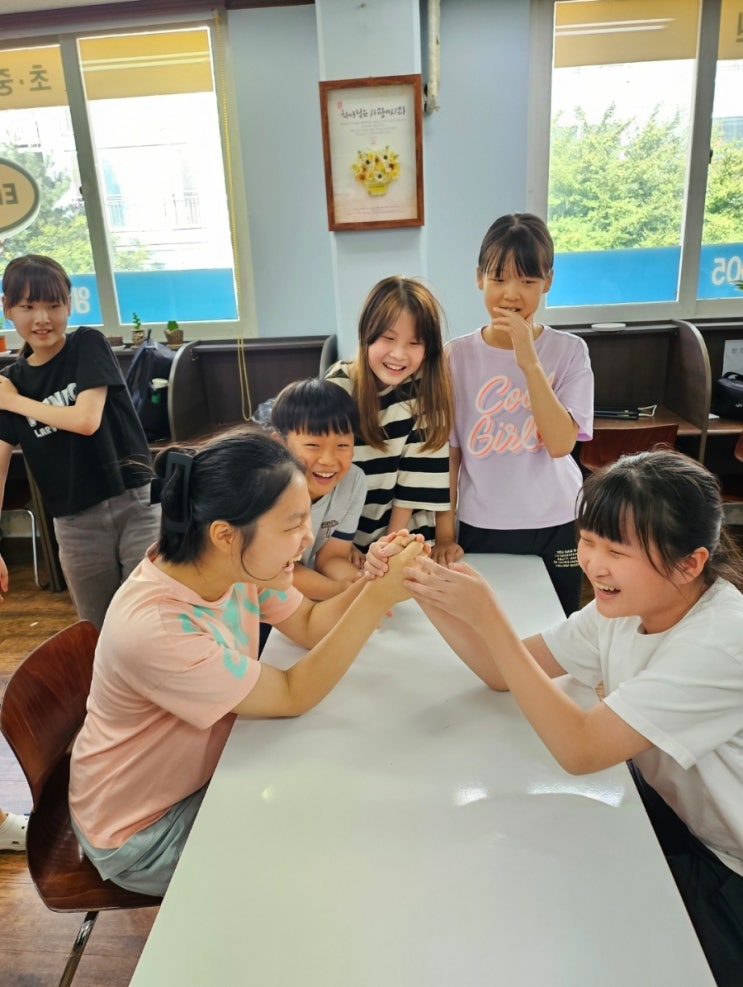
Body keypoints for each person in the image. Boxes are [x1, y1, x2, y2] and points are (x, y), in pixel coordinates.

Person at [404, 451, 743, 987]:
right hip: (680, 815)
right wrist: (424, 588)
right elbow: (502, 670)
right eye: (587, 541)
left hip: (729, 865)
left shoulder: (720, 642)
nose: (593, 564)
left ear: (689, 563)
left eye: (617, 551)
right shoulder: (624, 607)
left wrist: (489, 615)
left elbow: (581, 749)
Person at [68, 428, 422, 896]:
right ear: (225, 534)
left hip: (200, 777)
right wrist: (376, 598)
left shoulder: (231, 567)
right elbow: (293, 693)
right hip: (142, 832)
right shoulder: (158, 628)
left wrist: (372, 579)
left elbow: (310, 623)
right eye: (293, 525)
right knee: (324, 855)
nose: (307, 538)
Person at [432, 213, 593, 615]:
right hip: (482, 522)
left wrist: (529, 362)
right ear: (479, 278)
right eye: (499, 278)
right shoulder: (455, 357)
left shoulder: (570, 351)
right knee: (487, 623)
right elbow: (449, 453)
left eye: (527, 281)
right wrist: (445, 532)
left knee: (559, 622)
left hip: (556, 520)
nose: (511, 294)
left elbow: (561, 444)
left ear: (547, 282)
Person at [0, 254, 160, 629]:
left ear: (69, 305)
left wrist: (14, 402)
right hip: (75, 524)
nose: (42, 318)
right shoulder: (12, 381)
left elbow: (86, 420)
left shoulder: (87, 343)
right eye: (28, 307)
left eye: (54, 305)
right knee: (97, 629)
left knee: (150, 620)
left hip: (135, 504)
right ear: (8, 309)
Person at [325, 275, 454, 551]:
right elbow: (327, 473)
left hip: (404, 531)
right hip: (340, 532)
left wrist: (387, 548)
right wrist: (342, 544)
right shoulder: (338, 388)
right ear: (366, 334)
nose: (399, 354)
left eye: (414, 343)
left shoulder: (424, 393)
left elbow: (414, 485)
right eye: (388, 338)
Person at [270, 378, 367, 600]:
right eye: (313, 445)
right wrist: (338, 590)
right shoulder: (269, 489)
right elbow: (275, 568)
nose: (328, 460)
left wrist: (362, 584)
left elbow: (331, 557)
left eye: (342, 445)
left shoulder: (353, 482)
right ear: (280, 445)